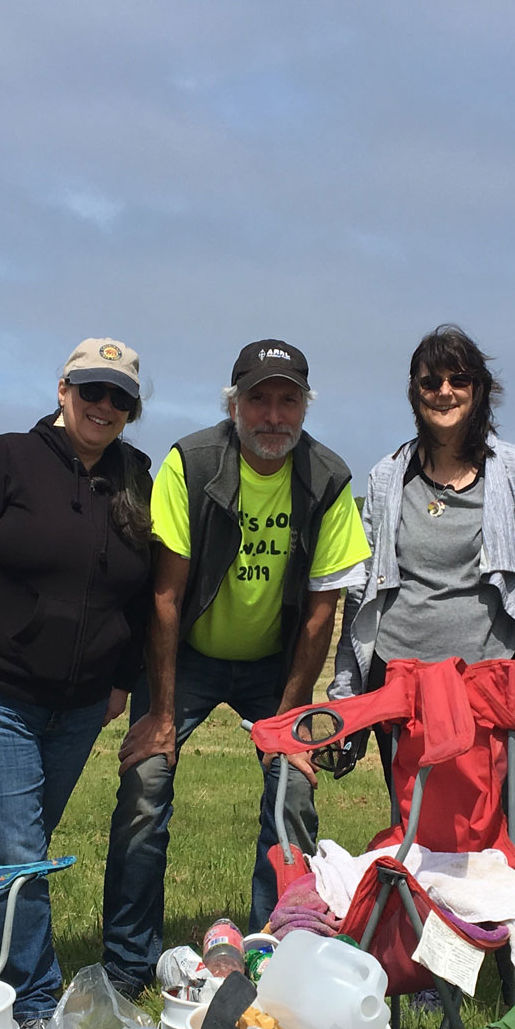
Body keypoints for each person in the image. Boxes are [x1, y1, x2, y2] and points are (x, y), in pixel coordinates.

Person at [103, 340, 371, 994]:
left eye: (288, 399)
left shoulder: (328, 478)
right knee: (145, 786)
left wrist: (290, 722)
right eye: (259, 398)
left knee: (293, 792)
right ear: (234, 405)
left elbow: (319, 612)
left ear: (306, 406)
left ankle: (274, 958)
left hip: (274, 665)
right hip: (185, 655)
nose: (273, 415)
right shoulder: (190, 465)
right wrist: (162, 714)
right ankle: (126, 964)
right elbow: (165, 596)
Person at [0, 340, 155, 1026]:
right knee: (21, 855)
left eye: (119, 398)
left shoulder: (137, 475)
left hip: (83, 703)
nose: (104, 407)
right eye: (92, 391)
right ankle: (32, 1008)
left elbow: (142, 591)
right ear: (63, 391)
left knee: (14, 859)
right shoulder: (7, 458)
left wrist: (122, 679)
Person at [333, 326, 515, 816]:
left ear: (479, 389)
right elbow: (362, 592)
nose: (444, 391)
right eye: (430, 382)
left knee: (492, 829)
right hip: (399, 683)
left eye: (458, 379)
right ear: (414, 392)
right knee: (412, 826)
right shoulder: (387, 476)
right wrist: (347, 690)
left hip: (487, 682)